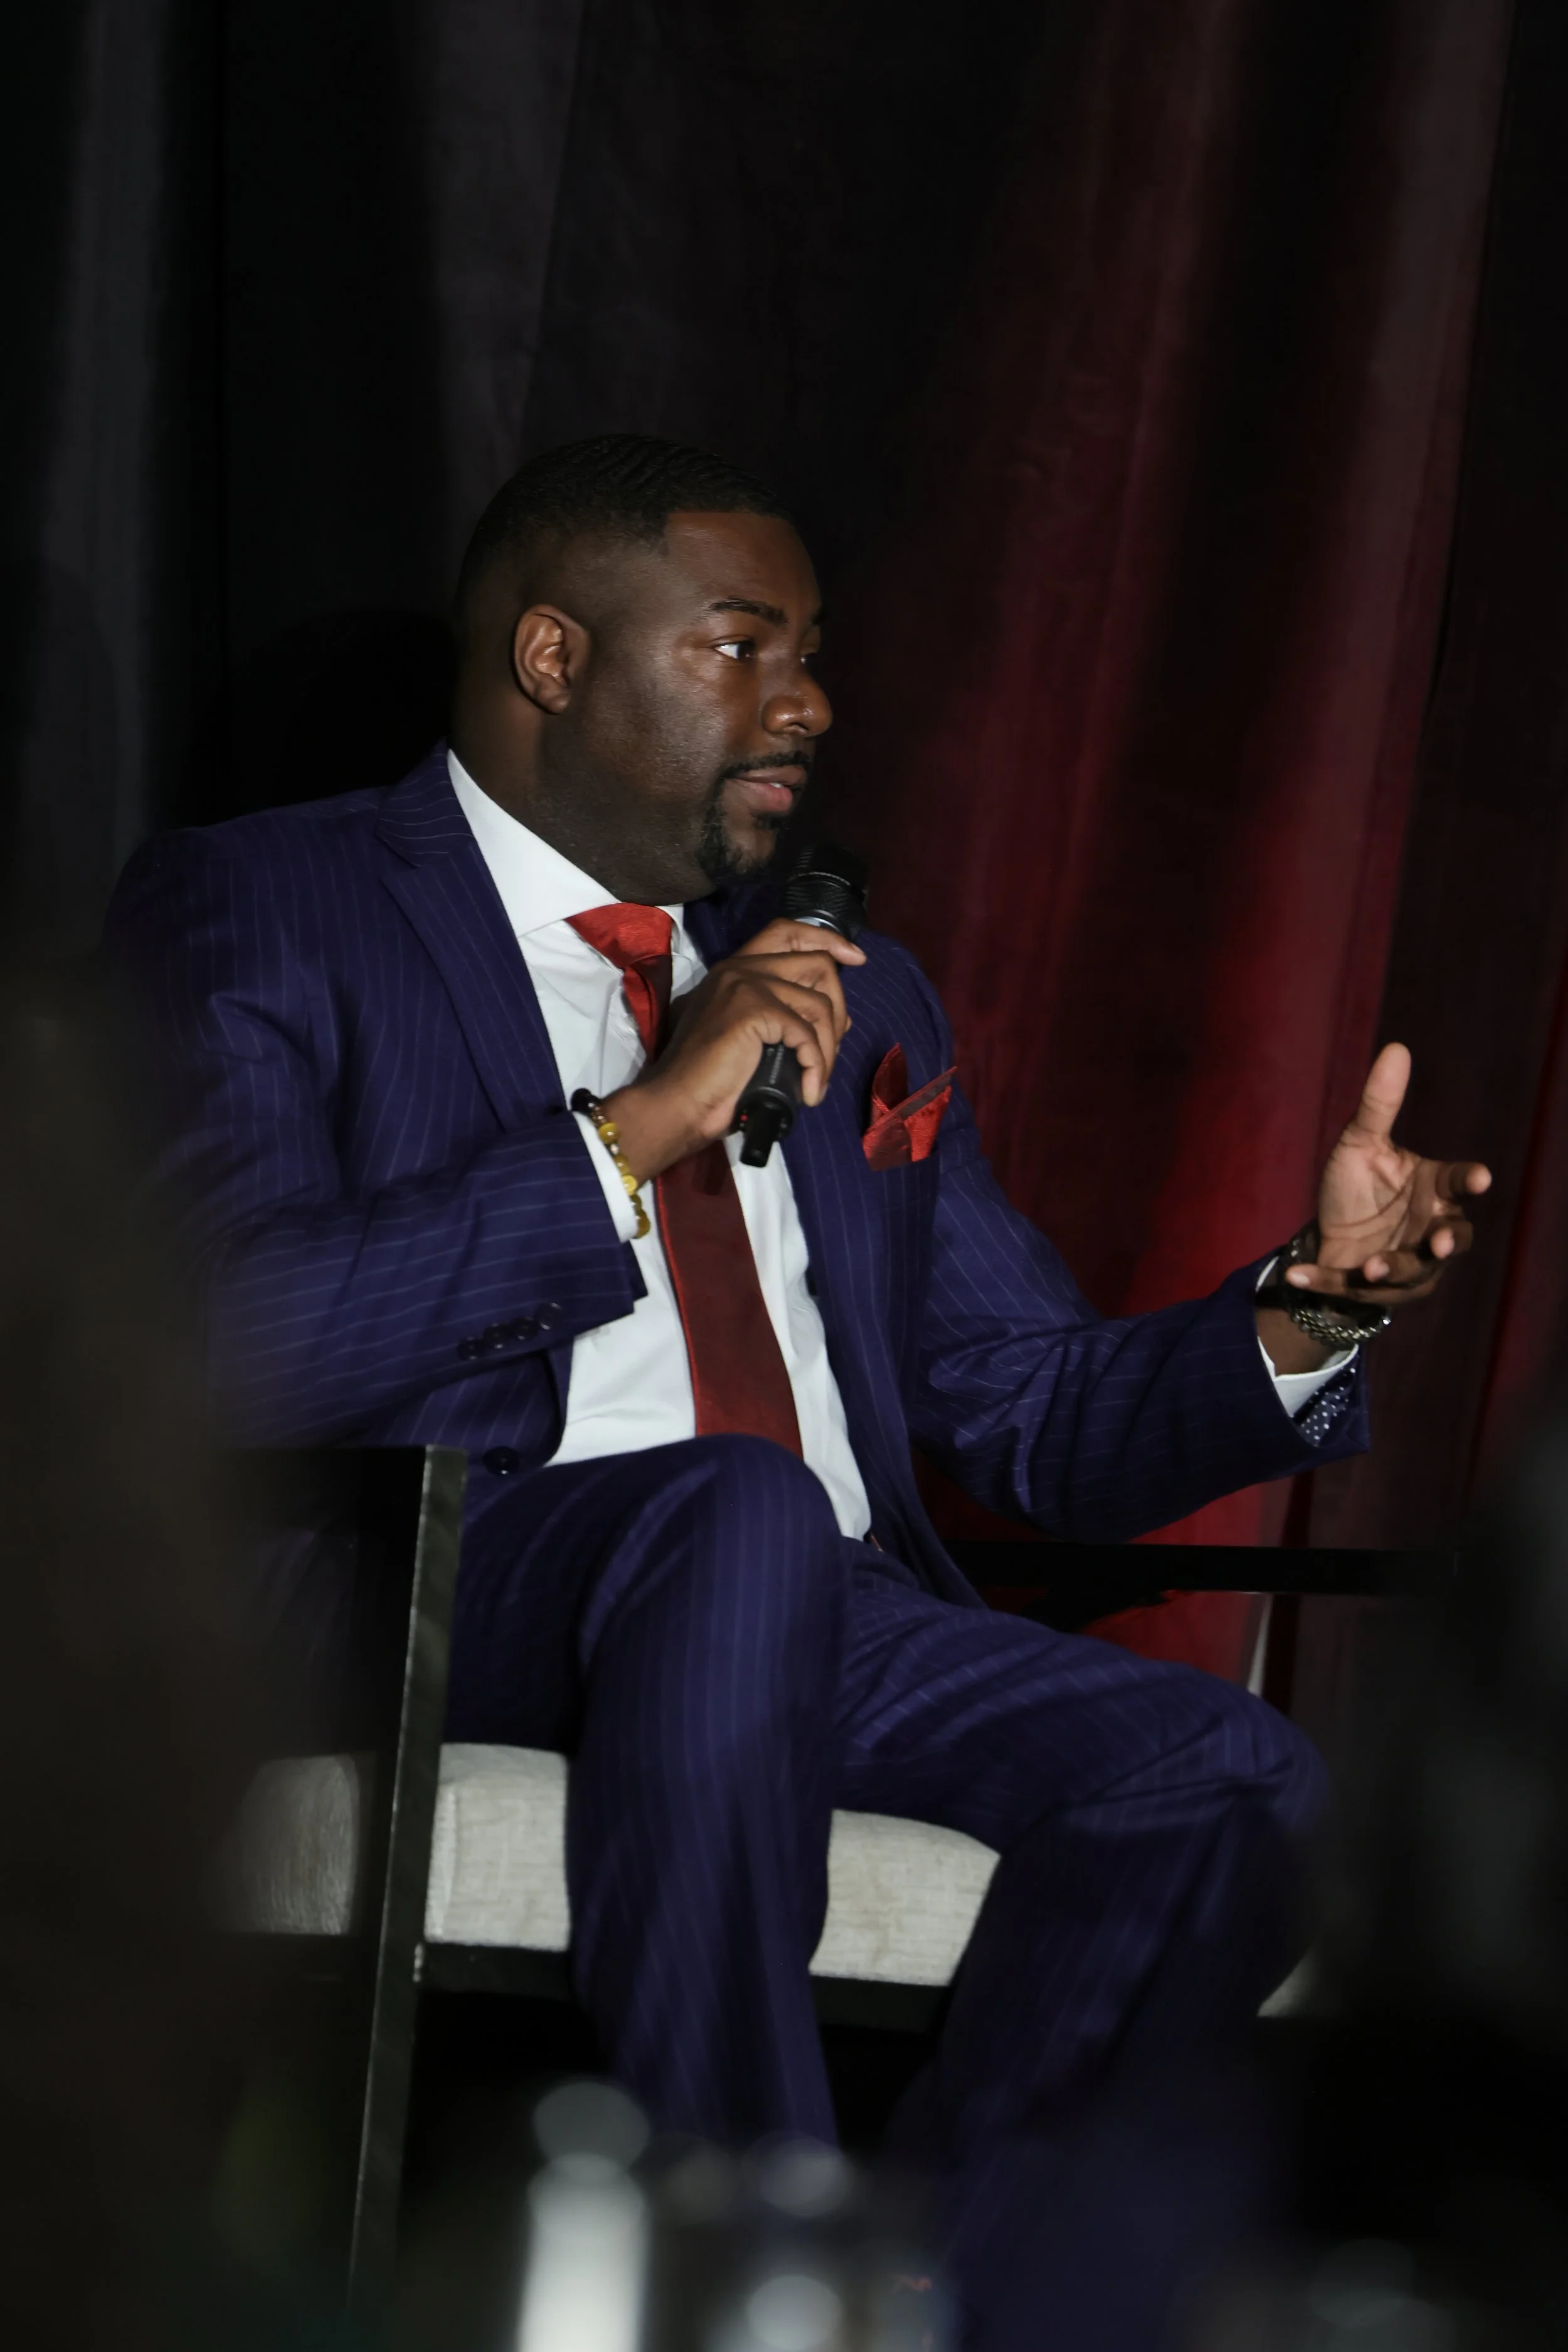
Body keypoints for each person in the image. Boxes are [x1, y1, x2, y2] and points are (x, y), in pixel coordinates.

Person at [106, 434, 1489, 2339]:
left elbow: (1027, 1409)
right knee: (736, 1509)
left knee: (1226, 1768)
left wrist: (1308, 1313)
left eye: (811, 652)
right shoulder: (269, 906)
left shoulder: (854, 989)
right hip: (438, 1576)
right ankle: (729, 2246)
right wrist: (631, 1135)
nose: (808, 701)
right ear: (551, 659)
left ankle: (935, 2291)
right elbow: (213, 1340)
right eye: (741, 647)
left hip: (808, 1602)